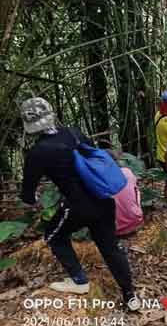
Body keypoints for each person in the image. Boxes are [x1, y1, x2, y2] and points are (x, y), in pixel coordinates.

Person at [19, 98, 139, 310]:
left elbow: (27, 195)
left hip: (77, 206)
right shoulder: (73, 133)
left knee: (53, 236)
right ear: (51, 113)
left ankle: (79, 280)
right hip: (103, 199)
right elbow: (92, 158)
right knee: (110, 247)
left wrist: (35, 200)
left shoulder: (37, 153)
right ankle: (130, 296)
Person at [108, 151, 144, 237]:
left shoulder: (98, 178)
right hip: (136, 220)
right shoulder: (127, 171)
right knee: (135, 190)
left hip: (116, 228)